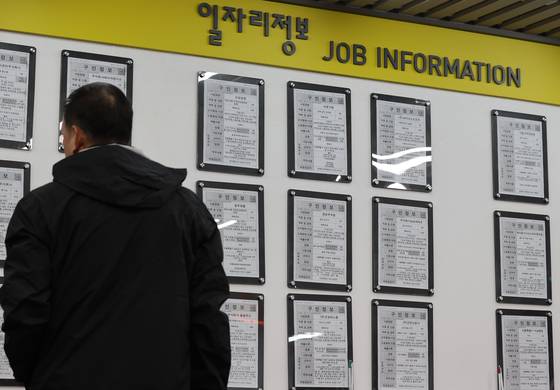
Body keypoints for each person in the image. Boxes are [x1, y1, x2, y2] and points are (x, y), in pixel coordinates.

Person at [0, 82, 231, 389]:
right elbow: (208, 321)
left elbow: (24, 313)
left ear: (77, 136)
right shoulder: (187, 209)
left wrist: (40, 377)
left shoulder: (40, 209)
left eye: (63, 134)